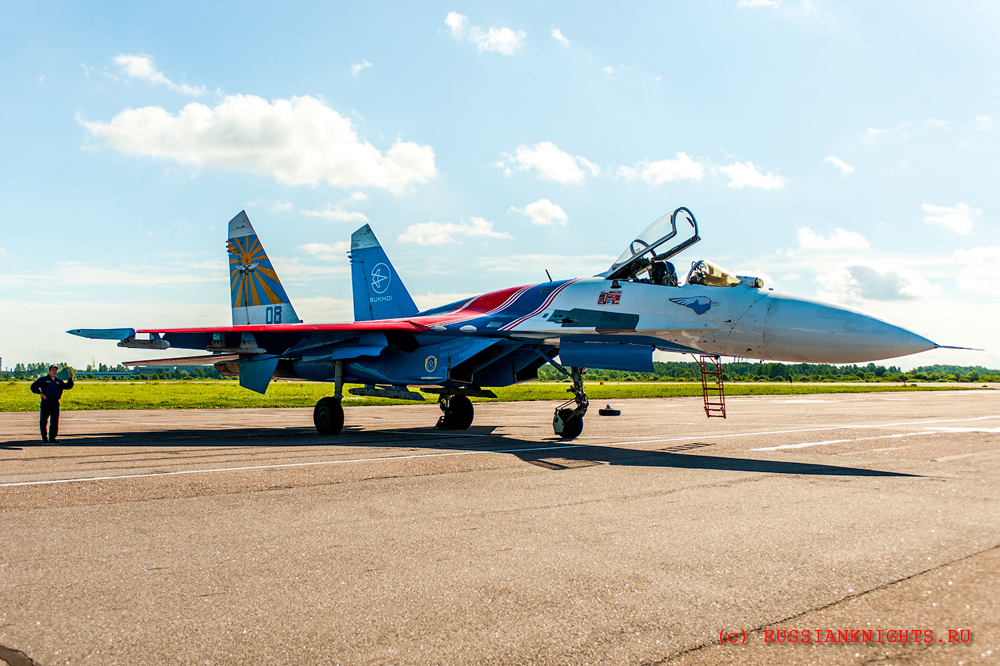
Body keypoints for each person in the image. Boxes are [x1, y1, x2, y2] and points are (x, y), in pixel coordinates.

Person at [30, 364, 74, 443]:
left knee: (54, 421)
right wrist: (40, 393)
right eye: (53, 370)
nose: (54, 371)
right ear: (49, 371)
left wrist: (70, 378)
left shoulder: (59, 381)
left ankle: (52, 438)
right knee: (43, 421)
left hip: (55, 403)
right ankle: (44, 437)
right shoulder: (43, 380)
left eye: (55, 370)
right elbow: (33, 386)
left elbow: (68, 386)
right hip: (46, 403)